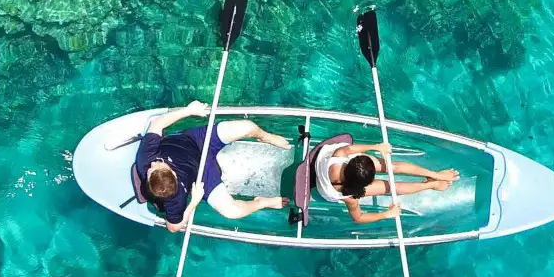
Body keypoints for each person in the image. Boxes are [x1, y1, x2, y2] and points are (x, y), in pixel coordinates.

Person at [134, 101, 293, 232]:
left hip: (195, 141)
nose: (153, 163)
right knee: (232, 211)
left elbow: (157, 123)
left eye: (155, 166)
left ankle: (265, 137)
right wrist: (194, 201)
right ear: (174, 176)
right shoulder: (174, 200)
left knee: (247, 127)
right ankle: (261, 202)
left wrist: (189, 111)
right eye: (156, 167)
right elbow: (173, 227)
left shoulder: (145, 159)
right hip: (201, 175)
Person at [315, 141, 458, 224]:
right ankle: (431, 184)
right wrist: (387, 214)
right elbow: (358, 217)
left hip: (344, 171)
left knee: (391, 166)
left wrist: (377, 146)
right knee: (390, 187)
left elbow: (349, 149)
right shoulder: (349, 197)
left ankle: (435, 175)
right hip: (331, 186)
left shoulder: (340, 154)